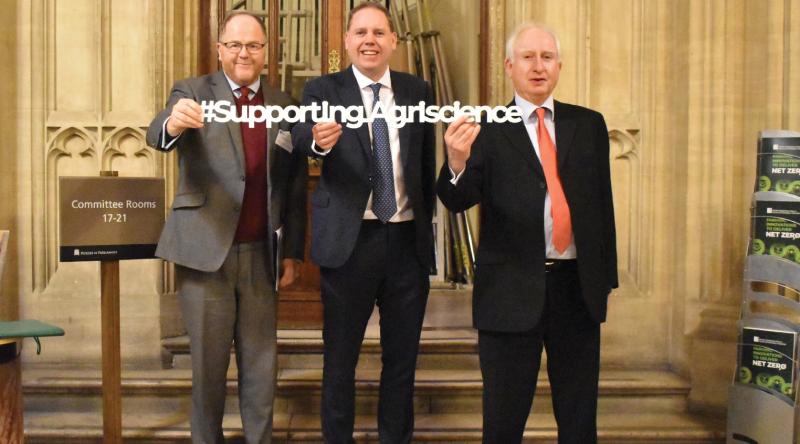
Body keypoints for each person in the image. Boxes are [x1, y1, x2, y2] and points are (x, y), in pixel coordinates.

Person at [437, 23, 618, 444]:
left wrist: (605, 278)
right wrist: (456, 161)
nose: (538, 67)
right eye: (528, 58)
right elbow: (455, 199)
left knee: (578, 419)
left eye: (547, 58)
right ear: (509, 66)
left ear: (559, 65)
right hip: (509, 292)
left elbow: (601, 205)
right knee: (503, 421)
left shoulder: (588, 125)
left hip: (577, 291)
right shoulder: (486, 128)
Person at [145, 11, 307, 444]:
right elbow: (158, 131)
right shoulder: (194, 91)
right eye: (234, 45)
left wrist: (291, 251)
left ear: (265, 53)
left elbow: (292, 185)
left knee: (260, 368)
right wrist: (173, 123)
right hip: (205, 254)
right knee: (208, 370)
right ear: (219, 50)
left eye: (253, 45)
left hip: (259, 256)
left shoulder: (283, 104)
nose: (243, 53)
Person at [291, 2, 435, 442]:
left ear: (393, 41)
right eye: (361, 32)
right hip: (349, 244)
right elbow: (299, 139)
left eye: (378, 32)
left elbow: (424, 163)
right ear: (348, 41)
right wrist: (316, 142)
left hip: (406, 242)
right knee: (339, 360)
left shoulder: (418, 91)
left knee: (402, 361)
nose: (369, 40)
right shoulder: (322, 89)